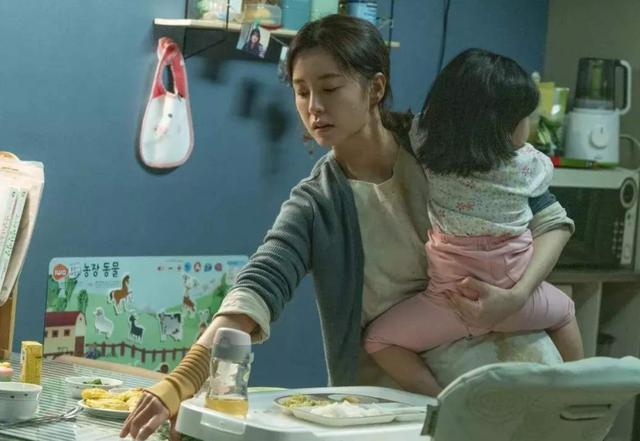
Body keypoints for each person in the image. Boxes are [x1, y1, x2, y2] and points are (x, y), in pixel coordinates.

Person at [121, 15, 574, 441]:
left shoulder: (441, 149)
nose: (314, 107)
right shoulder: (317, 202)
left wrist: (517, 295)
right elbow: (258, 286)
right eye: (301, 92)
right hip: (404, 406)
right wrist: (180, 382)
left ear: (375, 87)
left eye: (330, 88)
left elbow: (551, 219)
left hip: (519, 367)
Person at [362, 48, 583, 396]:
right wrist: (518, 296)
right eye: (523, 118)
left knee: (378, 339)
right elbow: (553, 217)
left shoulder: (426, 145)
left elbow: (405, 122)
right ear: (497, 127)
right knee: (566, 310)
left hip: (450, 302)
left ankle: (439, 402)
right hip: (516, 296)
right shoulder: (531, 166)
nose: (528, 127)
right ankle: (581, 396)